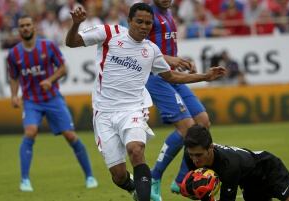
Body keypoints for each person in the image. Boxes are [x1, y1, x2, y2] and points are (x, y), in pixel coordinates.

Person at [66, 3, 226, 201]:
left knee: (136, 150)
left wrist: (205, 77)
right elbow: (72, 42)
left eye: (148, 23)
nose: (144, 26)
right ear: (129, 21)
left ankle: (148, 191)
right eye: (139, 22)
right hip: (104, 112)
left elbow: (171, 76)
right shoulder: (109, 32)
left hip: (133, 109)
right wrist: (75, 25)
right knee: (118, 175)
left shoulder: (151, 50)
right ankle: (136, 188)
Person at [7, 15, 98, 192]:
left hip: (52, 98)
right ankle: (24, 180)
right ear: (19, 30)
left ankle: (90, 176)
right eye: (22, 26)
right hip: (31, 100)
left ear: (33, 27)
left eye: (28, 25)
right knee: (30, 132)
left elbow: (64, 68)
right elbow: (13, 77)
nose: (25, 28)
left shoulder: (48, 46)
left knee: (70, 136)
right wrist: (13, 96)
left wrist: (50, 80)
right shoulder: (14, 54)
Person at [146, 1, 213, 200]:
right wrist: (168, 59)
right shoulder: (147, 14)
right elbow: (139, 48)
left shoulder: (168, 13)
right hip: (156, 77)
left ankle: (182, 180)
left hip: (173, 75)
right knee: (187, 129)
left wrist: (179, 60)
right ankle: (154, 176)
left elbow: (163, 48)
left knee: (203, 122)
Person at [182, 124, 289, 201]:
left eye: (199, 155)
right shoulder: (189, 154)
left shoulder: (229, 166)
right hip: (249, 183)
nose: (195, 159)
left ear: (210, 148)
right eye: (191, 154)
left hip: (267, 168)